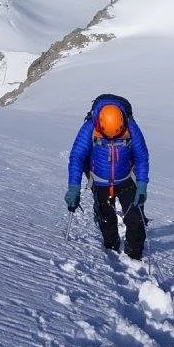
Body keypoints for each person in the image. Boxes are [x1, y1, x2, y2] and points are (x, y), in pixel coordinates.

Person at [66, 93, 149, 259]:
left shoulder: (131, 127)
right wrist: (73, 188)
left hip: (127, 180)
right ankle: (111, 247)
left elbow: (141, 157)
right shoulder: (90, 127)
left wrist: (142, 185)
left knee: (135, 219)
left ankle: (134, 254)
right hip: (100, 182)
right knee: (106, 218)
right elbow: (77, 157)